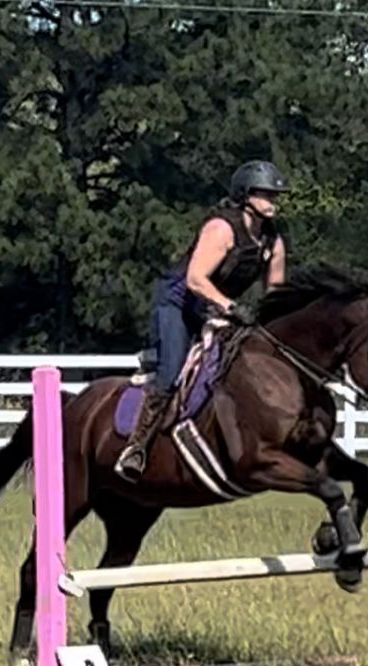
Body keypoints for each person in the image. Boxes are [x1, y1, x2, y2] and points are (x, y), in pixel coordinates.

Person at [115, 160, 290, 482]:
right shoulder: (221, 229)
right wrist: (231, 307)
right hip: (180, 304)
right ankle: (137, 447)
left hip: (221, 307)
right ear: (246, 196)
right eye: (265, 195)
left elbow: (275, 293)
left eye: (274, 196)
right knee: (171, 373)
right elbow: (196, 279)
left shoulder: (272, 241)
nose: (272, 201)